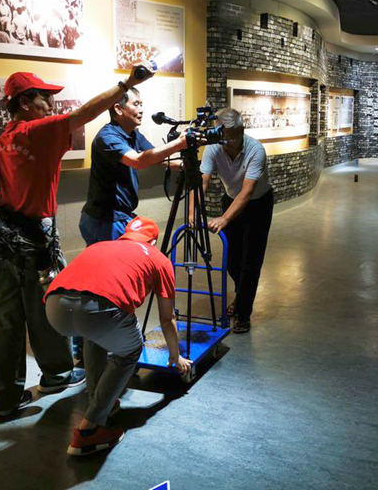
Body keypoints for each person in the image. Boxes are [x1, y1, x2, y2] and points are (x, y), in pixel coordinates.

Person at [0, 64, 154, 418]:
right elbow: (82, 114)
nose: (50, 104)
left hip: (0, 237)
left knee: (6, 318)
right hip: (32, 239)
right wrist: (127, 83)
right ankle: (58, 374)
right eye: (44, 98)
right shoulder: (36, 131)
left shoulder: (3, 139)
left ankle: (5, 396)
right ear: (25, 103)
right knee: (46, 306)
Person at [44, 216, 191, 456]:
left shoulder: (101, 245)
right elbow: (167, 319)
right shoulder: (159, 259)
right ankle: (88, 431)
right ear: (153, 241)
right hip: (97, 312)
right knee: (130, 350)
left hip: (54, 308)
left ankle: (102, 401)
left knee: (94, 335)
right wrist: (175, 357)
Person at [79, 87, 187, 246]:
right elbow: (138, 161)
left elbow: (158, 158)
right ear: (118, 109)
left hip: (118, 216)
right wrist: (179, 143)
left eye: (141, 104)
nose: (141, 109)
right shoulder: (108, 137)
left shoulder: (134, 134)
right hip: (105, 219)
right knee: (116, 261)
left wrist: (184, 164)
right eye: (136, 104)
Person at [200, 108, 273, 334]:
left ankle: (242, 313)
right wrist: (193, 211)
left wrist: (224, 218)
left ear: (242, 130)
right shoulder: (213, 147)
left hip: (258, 204)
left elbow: (247, 191)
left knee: (251, 260)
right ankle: (241, 296)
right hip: (231, 199)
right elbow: (202, 181)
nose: (228, 142)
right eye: (224, 136)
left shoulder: (255, 150)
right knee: (232, 259)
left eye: (233, 136)